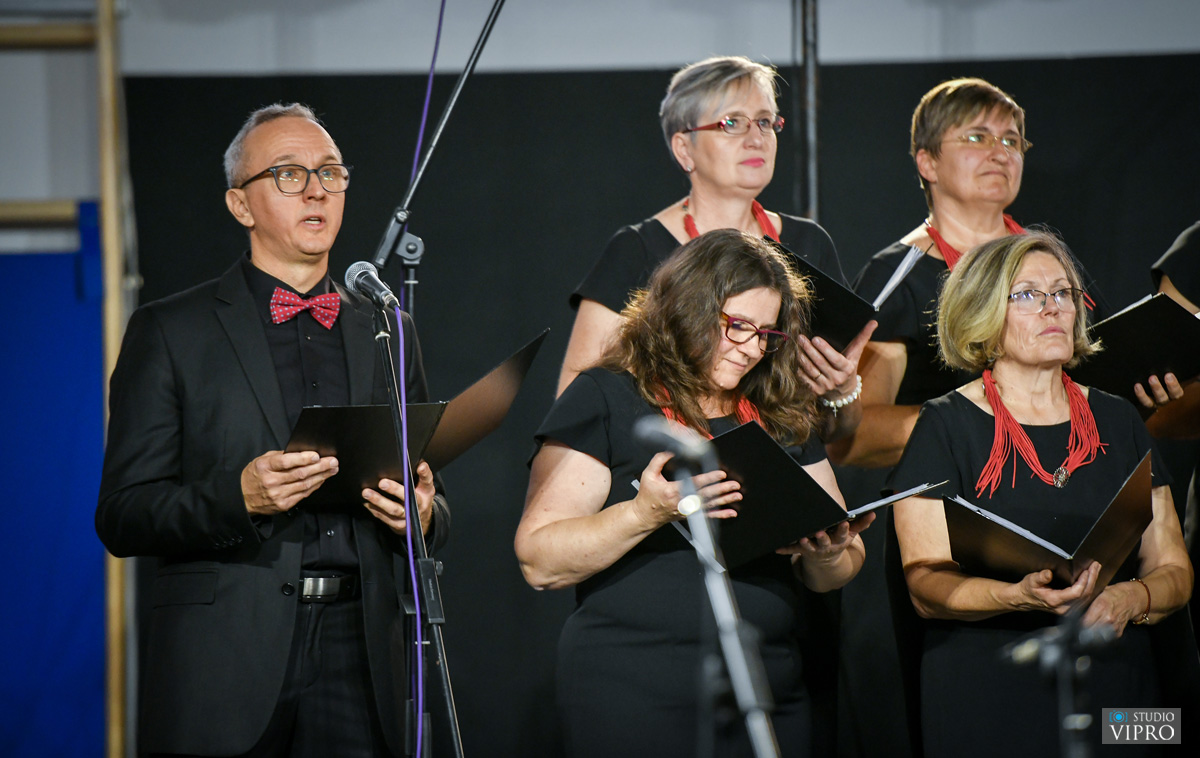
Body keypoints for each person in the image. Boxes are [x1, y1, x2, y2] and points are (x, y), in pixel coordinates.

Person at [96, 103, 449, 758]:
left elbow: (431, 496)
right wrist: (241, 498)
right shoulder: (172, 330)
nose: (316, 189)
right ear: (240, 204)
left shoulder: (387, 327)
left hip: (362, 651)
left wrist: (422, 513)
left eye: (330, 172)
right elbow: (122, 515)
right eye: (288, 174)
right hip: (222, 658)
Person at [517, 229, 872, 758]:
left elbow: (839, 568)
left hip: (764, 685)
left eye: (768, 336)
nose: (752, 348)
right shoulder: (608, 395)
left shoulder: (780, 411)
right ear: (688, 307)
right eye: (739, 327)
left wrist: (830, 552)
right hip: (632, 683)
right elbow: (539, 560)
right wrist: (644, 513)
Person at [889, 231, 1192, 757]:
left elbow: (1175, 570)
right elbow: (923, 585)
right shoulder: (943, 425)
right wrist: (1015, 595)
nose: (1053, 308)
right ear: (983, 312)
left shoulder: (1119, 418)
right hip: (989, 692)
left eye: (1064, 293)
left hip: (1122, 689)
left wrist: (1132, 597)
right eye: (1028, 294)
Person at [559, 55, 873, 441]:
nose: (756, 138)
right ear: (684, 149)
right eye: (732, 123)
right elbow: (577, 402)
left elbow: (837, 434)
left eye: (765, 121)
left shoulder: (808, 244)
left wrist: (842, 392)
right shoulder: (637, 249)